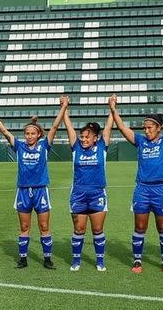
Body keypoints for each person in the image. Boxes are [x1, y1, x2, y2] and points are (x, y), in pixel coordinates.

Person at [0, 100, 66, 269]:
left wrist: (63, 108)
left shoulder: (44, 146)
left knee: (44, 226)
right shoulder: (20, 147)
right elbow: (4, 132)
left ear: (38, 135)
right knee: (24, 226)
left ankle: (47, 259)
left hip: (41, 191)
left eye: (32, 133)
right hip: (23, 191)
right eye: (27, 133)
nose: (29, 136)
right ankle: (23, 259)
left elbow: (54, 128)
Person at [110, 89, 163, 274]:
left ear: (158, 128)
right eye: (145, 127)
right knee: (140, 227)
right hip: (142, 189)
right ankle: (137, 260)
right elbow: (123, 129)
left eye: (150, 127)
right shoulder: (140, 141)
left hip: (161, 189)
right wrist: (113, 109)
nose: (146, 130)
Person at [61, 95, 113, 272]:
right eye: (82, 136)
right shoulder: (75, 147)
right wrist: (65, 108)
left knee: (97, 230)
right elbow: (68, 126)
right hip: (78, 194)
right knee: (79, 229)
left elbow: (108, 127)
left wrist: (112, 108)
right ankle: (76, 260)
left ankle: (100, 260)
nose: (83, 139)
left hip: (98, 193)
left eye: (87, 137)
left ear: (95, 138)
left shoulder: (102, 147)